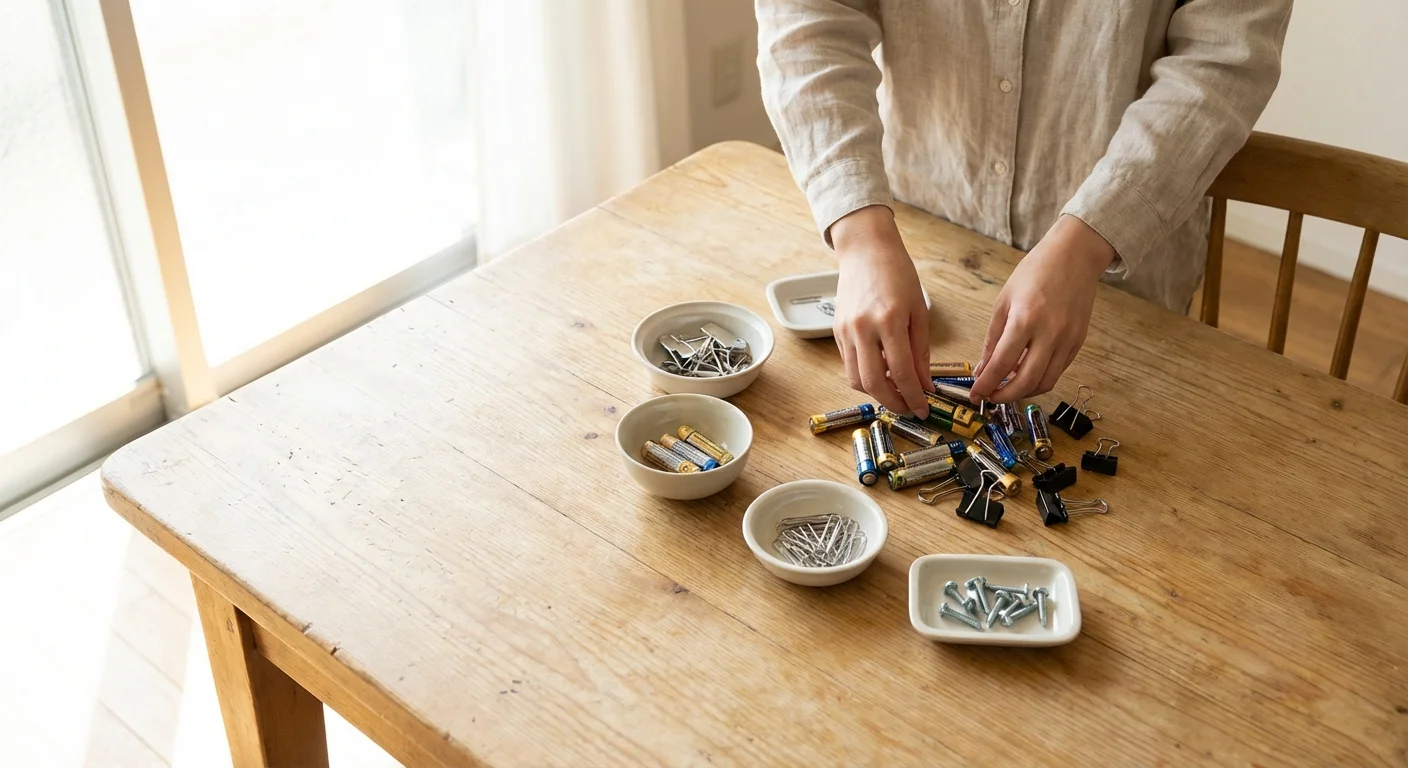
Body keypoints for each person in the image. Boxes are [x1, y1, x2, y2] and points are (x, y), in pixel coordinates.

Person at [756, 0, 1292, 417]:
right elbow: (808, 17)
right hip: (925, 228)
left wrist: (1087, 243)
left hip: (1122, 276)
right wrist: (861, 237)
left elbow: (1223, 63)